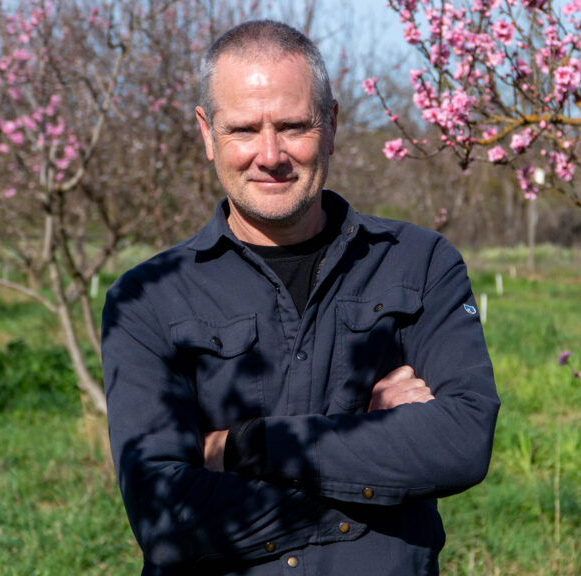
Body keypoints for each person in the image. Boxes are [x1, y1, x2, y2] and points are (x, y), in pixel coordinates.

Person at [101, 19, 500, 576]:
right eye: (243, 129)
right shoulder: (147, 299)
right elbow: (165, 521)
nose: (270, 155)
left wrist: (246, 448)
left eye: (293, 126)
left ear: (332, 124)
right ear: (206, 132)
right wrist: (372, 456)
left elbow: (460, 443)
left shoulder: (420, 262)